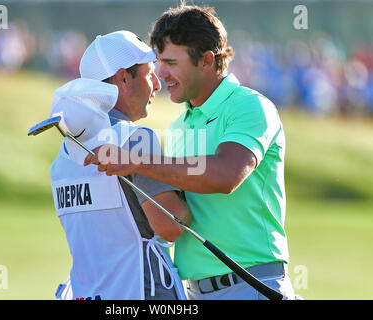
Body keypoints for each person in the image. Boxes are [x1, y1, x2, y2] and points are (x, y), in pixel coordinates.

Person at [84, 5, 297, 300]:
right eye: (159, 62)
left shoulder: (249, 106)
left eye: (171, 62)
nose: (162, 75)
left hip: (251, 286)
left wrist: (137, 161)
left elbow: (226, 175)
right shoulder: (178, 127)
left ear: (206, 60)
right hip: (194, 292)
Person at [51, 30, 191, 300]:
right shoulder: (135, 138)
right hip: (142, 291)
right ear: (123, 79)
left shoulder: (63, 156)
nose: (157, 84)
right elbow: (170, 225)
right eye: (149, 73)